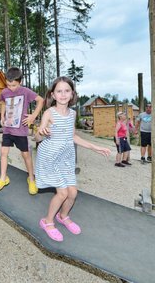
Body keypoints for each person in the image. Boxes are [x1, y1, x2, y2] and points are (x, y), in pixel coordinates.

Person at [35, 77, 111, 242]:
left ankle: (63, 216)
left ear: (72, 94)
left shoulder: (73, 113)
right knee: (62, 193)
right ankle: (47, 221)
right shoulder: (49, 113)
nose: (63, 94)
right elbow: (37, 136)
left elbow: (72, 137)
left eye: (66, 91)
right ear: (53, 95)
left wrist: (95, 147)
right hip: (50, 156)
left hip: (66, 157)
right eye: (59, 91)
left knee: (73, 193)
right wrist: (41, 130)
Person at [0, 67, 44, 195]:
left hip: (20, 131)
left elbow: (41, 100)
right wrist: (3, 116)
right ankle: (3, 178)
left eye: (14, 85)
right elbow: (3, 103)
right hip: (8, 130)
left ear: (20, 82)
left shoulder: (25, 91)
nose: (11, 88)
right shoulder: (5, 92)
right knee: (3, 153)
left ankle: (31, 179)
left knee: (26, 155)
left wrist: (33, 116)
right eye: (8, 84)